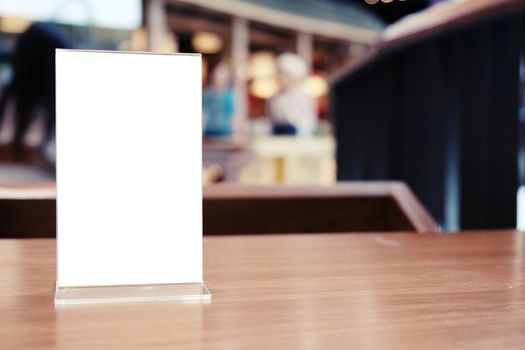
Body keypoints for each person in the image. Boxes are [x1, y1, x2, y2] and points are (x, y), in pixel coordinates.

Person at [268, 53, 317, 136]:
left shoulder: (303, 96)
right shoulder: (274, 98)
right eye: (279, 73)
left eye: (285, 73)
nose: (281, 77)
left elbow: (308, 125)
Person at [203, 62, 235, 137]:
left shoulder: (228, 95)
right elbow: (204, 111)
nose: (219, 78)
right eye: (217, 76)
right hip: (209, 130)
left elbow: (231, 114)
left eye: (222, 76)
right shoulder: (208, 93)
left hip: (224, 131)